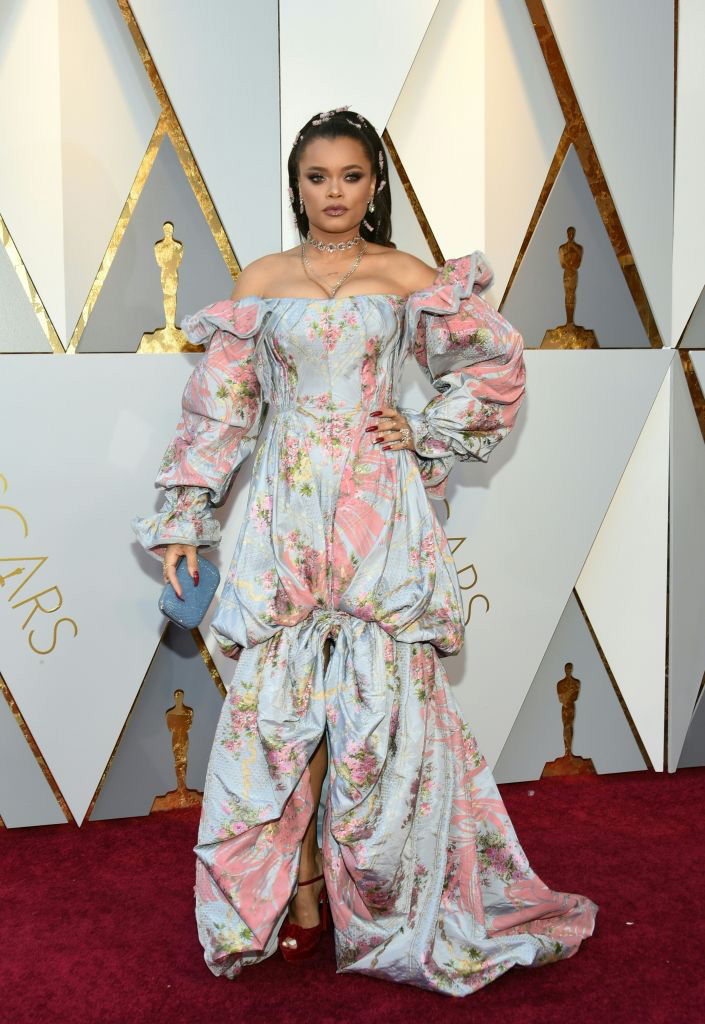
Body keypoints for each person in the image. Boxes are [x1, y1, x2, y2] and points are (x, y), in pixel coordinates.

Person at [131, 106, 598, 996]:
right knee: (280, 711)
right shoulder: (262, 280)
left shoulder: (405, 276)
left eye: (350, 175)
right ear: (296, 184)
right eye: (317, 177)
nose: (334, 192)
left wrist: (421, 425)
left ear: (374, 184)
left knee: (378, 714)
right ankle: (297, 893)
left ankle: (382, 901)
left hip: (377, 515)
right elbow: (221, 410)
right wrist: (186, 518)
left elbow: (495, 365)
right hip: (285, 513)